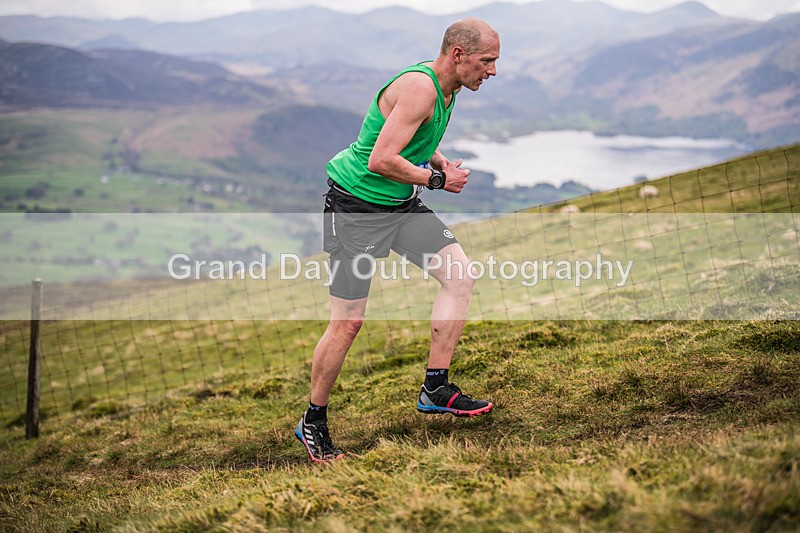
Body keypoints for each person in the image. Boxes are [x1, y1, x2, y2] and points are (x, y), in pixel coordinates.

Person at [295, 17, 500, 463]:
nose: (493, 71)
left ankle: (436, 387)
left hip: (398, 206)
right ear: (458, 55)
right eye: (487, 61)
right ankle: (313, 421)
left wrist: (438, 160)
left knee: (460, 276)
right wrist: (438, 179)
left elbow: (415, 138)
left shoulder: (449, 89)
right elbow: (381, 159)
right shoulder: (421, 86)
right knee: (348, 323)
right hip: (356, 208)